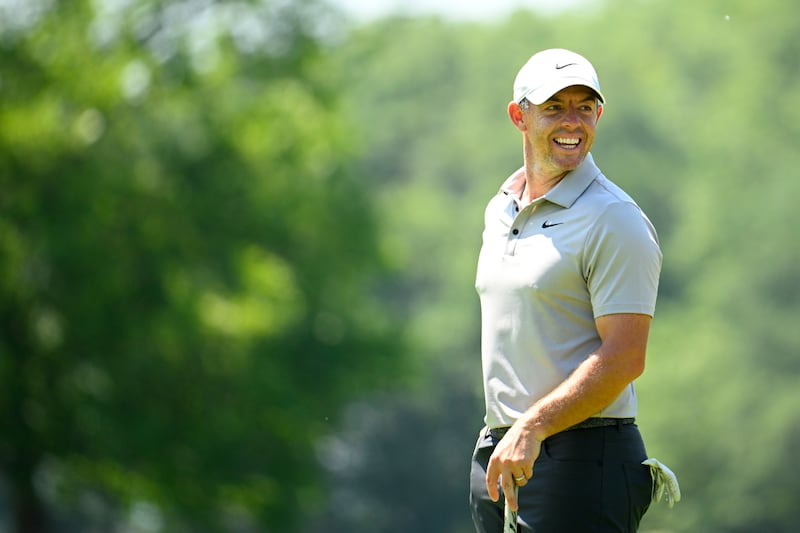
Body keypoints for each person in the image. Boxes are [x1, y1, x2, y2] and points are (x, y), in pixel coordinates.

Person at [469, 48, 663, 532]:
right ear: (519, 116)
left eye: (585, 107)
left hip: (582, 460)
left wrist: (531, 428)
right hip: (504, 453)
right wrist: (512, 435)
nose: (572, 121)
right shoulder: (501, 208)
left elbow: (624, 357)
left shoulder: (614, 218)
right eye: (554, 107)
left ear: (599, 113)